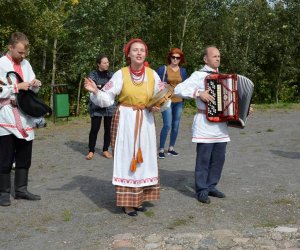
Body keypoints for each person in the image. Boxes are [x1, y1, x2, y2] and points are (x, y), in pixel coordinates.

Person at [84, 38, 163, 216]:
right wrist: (96, 91)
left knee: (145, 157)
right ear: (128, 54)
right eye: (135, 50)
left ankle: (139, 199)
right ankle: (127, 203)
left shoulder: (152, 74)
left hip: (146, 119)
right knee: (128, 158)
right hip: (126, 119)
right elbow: (107, 97)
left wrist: (159, 105)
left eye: (142, 50)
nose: (139, 53)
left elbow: (161, 97)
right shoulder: (121, 74)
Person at [174, 45, 229, 204]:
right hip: (204, 123)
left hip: (221, 126)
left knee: (219, 159)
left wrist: (244, 110)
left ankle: (211, 186)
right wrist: (199, 93)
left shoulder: (225, 77)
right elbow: (178, 90)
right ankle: (202, 189)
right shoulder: (199, 75)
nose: (217, 58)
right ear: (206, 59)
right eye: (214, 56)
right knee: (203, 159)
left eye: (219, 56)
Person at [0, 32, 41, 206]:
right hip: (6, 114)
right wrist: (17, 86)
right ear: (10, 47)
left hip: (25, 116)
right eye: (19, 52)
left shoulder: (26, 63)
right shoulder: (0, 64)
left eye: (24, 53)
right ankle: (3, 192)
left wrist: (35, 84)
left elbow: (31, 87)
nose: (22, 56)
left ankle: (21, 189)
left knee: (25, 153)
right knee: (5, 155)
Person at [156, 48, 188, 158]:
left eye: (177, 58)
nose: (175, 59)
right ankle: (161, 149)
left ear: (180, 59)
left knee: (176, 125)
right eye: (173, 57)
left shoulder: (183, 71)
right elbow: (157, 84)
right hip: (166, 101)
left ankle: (171, 148)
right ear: (170, 57)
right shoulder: (163, 69)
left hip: (179, 101)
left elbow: (185, 86)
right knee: (167, 124)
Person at [85, 55, 116, 160]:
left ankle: (105, 150)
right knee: (94, 129)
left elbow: (114, 88)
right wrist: (98, 89)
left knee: (108, 129)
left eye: (108, 62)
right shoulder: (93, 74)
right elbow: (91, 87)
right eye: (104, 62)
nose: (107, 64)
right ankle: (91, 150)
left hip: (109, 106)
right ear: (98, 64)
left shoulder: (112, 75)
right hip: (96, 106)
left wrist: (99, 88)